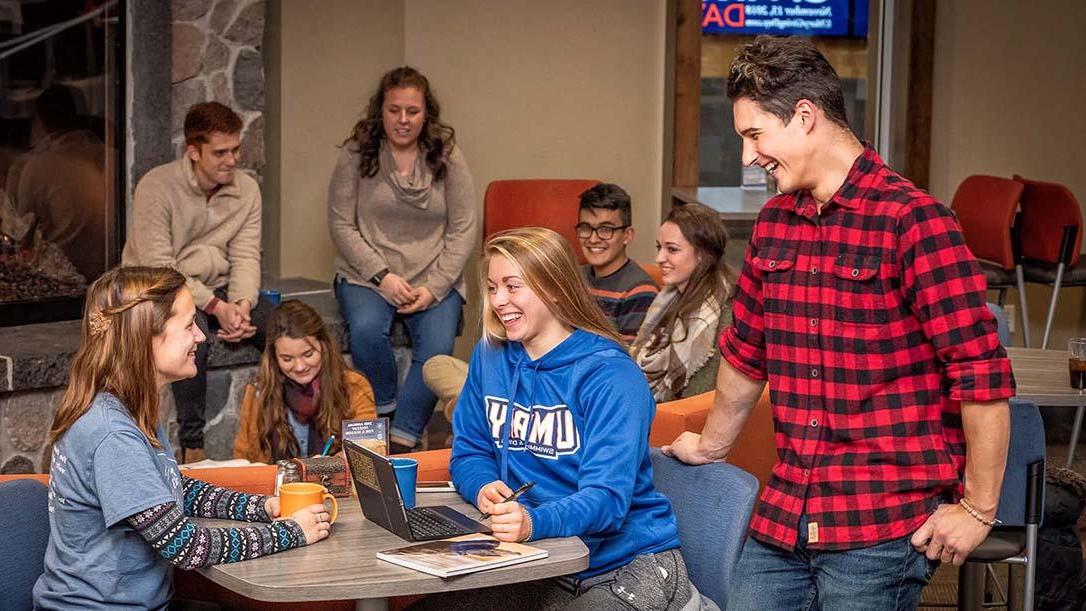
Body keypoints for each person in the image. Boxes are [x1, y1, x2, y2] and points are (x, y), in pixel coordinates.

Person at [663, 36, 1014, 610]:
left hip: (883, 520)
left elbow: (980, 374)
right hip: (787, 513)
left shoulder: (916, 221)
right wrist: (713, 445)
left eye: (755, 135)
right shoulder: (775, 223)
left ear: (804, 117)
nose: (749, 156)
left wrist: (978, 508)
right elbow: (747, 350)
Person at [415, 227, 716, 610]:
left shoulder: (610, 376)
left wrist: (532, 523)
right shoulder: (489, 355)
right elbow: (470, 451)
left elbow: (607, 499)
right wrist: (484, 484)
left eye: (513, 286)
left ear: (554, 287)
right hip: (541, 560)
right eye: (492, 288)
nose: (499, 301)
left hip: (624, 563)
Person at [33, 266, 331, 609]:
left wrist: (264, 506)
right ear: (146, 337)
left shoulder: (130, 409)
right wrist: (292, 531)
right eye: (189, 325)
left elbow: (172, 487)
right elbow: (186, 547)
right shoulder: (112, 434)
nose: (202, 337)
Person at [329, 66, 477, 453]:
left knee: (437, 347)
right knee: (365, 329)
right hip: (370, 275)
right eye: (394, 110)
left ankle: (401, 439)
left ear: (426, 113)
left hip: (434, 276)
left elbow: (463, 229)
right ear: (381, 111)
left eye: (412, 111)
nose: (403, 120)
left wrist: (434, 288)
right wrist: (383, 277)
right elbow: (341, 224)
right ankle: (384, 412)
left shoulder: (447, 155)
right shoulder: (358, 153)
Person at [122, 101, 271, 464]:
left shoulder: (247, 190)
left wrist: (242, 306)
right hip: (159, 286)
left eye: (235, 149)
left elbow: (247, 254)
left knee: (284, 323)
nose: (231, 159)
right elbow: (161, 266)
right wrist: (217, 308)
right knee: (190, 336)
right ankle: (192, 446)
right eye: (220, 152)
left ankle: (276, 431)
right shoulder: (157, 187)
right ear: (193, 151)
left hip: (217, 286)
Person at [233, 299, 377, 462]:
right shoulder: (259, 392)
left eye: (308, 354)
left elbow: (367, 451)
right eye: (287, 359)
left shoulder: (353, 386)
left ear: (324, 346)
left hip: (333, 484)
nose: (300, 367)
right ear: (274, 357)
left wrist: (331, 463)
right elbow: (243, 458)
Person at [630, 203, 734, 402]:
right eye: (659, 247)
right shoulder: (668, 298)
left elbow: (700, 396)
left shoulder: (725, 313)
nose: (659, 258)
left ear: (702, 255)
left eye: (672, 249)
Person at [575, 182, 659, 342]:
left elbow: (627, 359)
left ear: (627, 235)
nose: (593, 239)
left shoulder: (639, 291)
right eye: (585, 228)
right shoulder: (574, 278)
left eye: (606, 229)